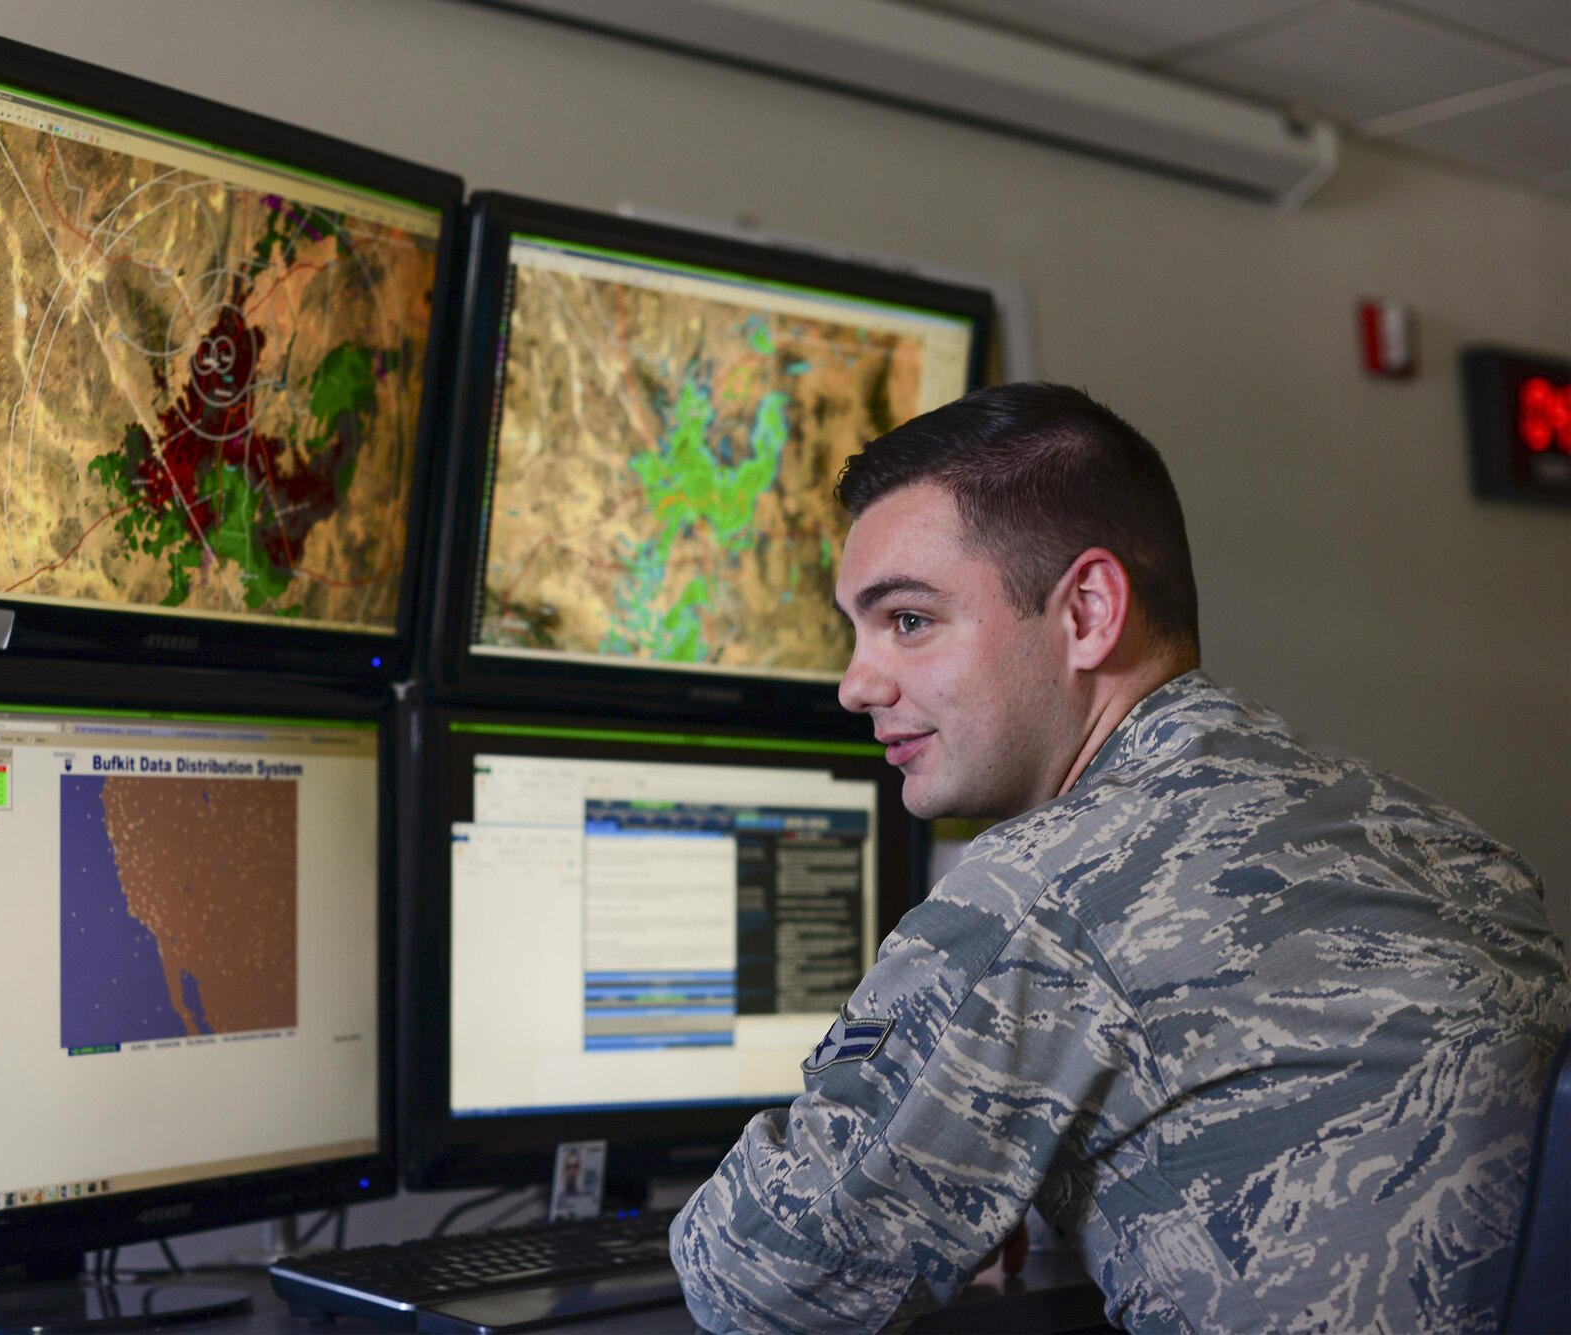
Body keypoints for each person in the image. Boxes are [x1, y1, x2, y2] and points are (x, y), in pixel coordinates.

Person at [669, 383, 1569, 1334]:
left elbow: (758, 1280)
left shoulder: (1045, 888)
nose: (856, 683)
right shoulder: (1451, 845)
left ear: (1090, 611)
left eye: (907, 620)